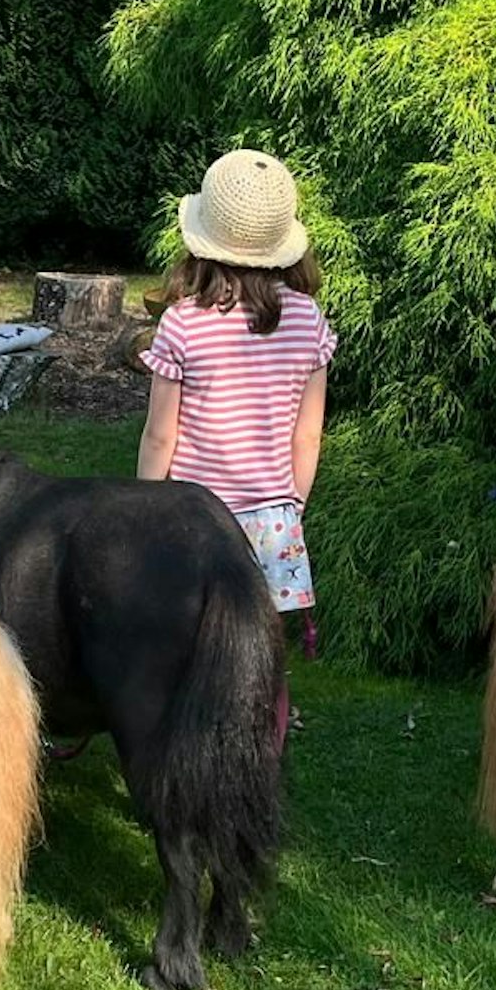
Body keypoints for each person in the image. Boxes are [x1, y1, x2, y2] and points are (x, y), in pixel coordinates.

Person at [138, 148, 337, 633]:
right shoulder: (308, 320)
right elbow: (307, 437)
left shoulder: (182, 323)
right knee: (257, 651)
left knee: (187, 643)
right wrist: (291, 508)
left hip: (191, 515)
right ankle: (269, 713)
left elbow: (160, 437)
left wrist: (142, 509)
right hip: (272, 520)